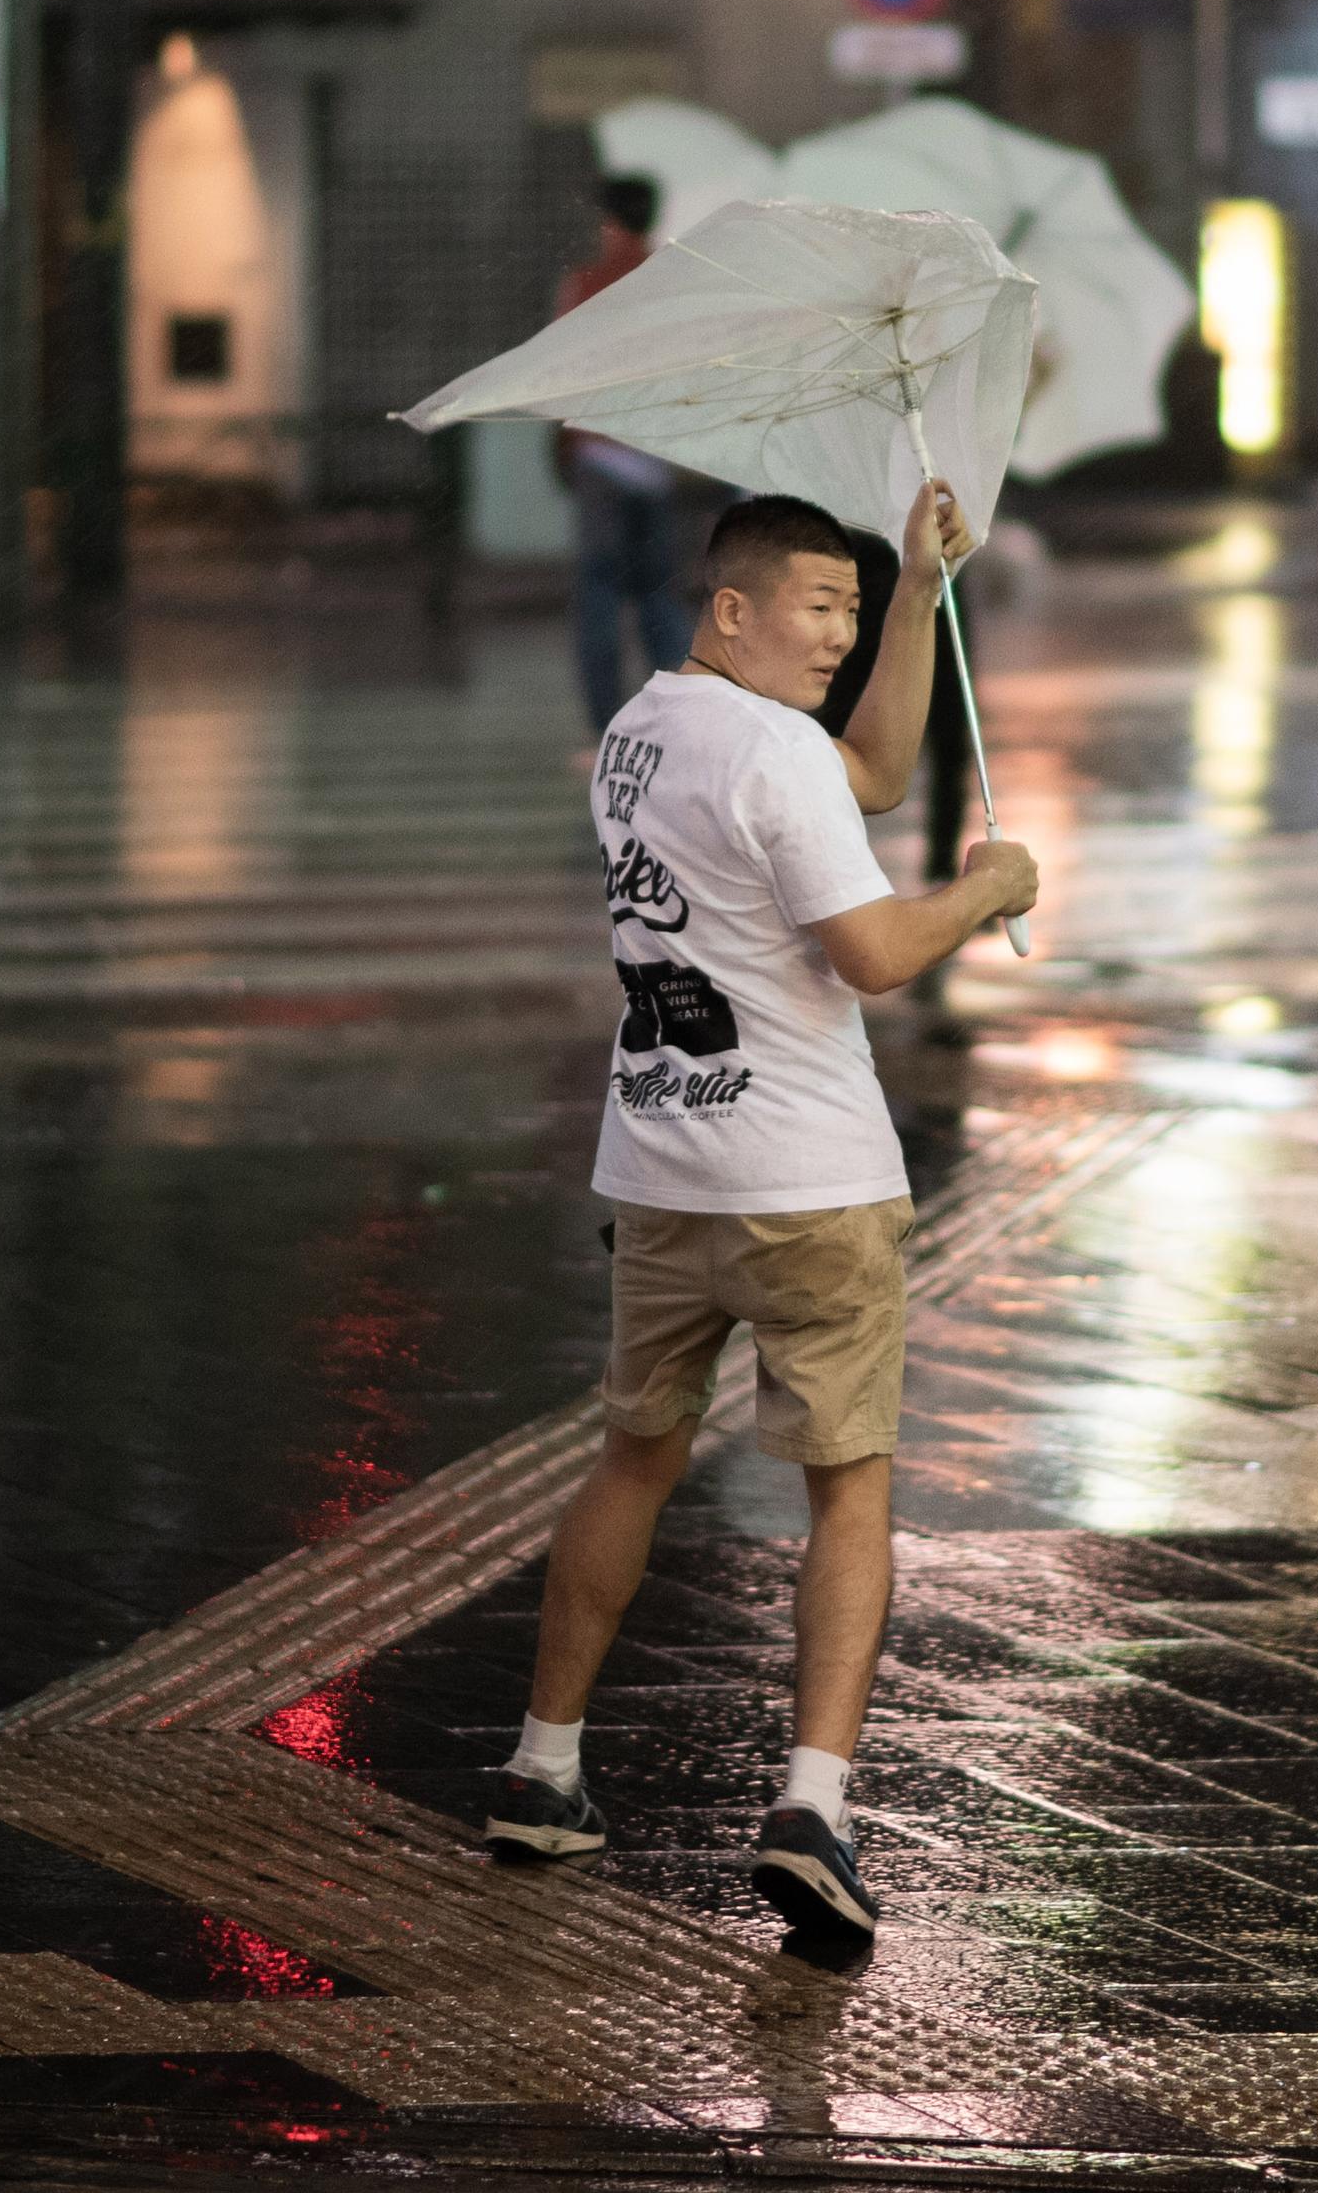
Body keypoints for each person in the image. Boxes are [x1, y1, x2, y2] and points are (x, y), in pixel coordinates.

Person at [484, 483, 1039, 1953]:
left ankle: (543, 1768)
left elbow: (867, 767)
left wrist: (916, 593)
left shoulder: (639, 733)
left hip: (664, 1163)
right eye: (817, 605)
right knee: (850, 1488)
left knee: (635, 1456)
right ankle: (812, 1805)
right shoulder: (772, 751)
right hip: (810, 1179)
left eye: (850, 614)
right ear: (731, 607)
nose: (835, 635)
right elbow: (869, 952)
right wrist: (986, 892)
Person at [555, 176, 696, 731]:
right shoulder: (670, 283)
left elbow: (563, 369)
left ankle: (606, 725)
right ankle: (678, 715)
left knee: (599, 596)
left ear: (606, 220)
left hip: (599, 459)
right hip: (654, 462)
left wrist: (567, 450)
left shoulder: (584, 284)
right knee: (661, 595)